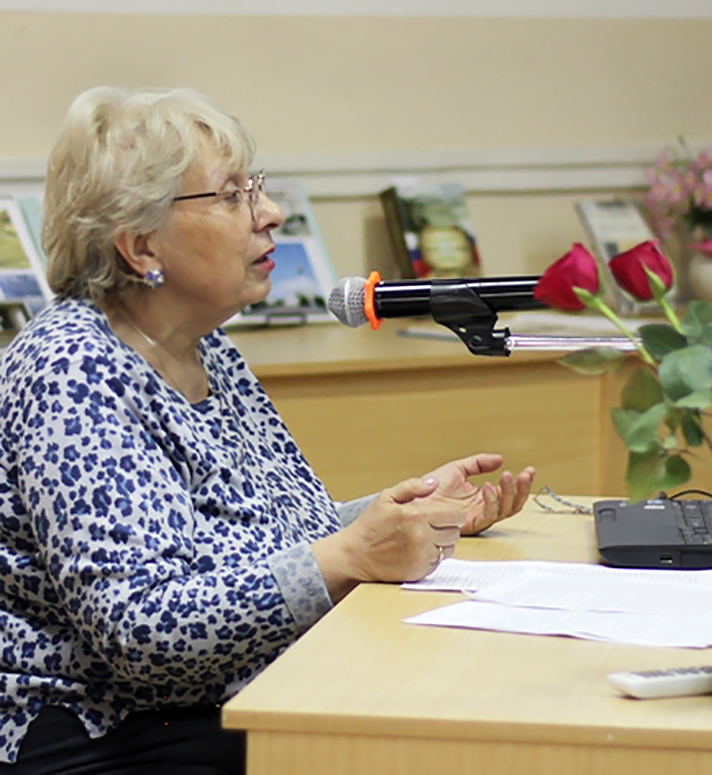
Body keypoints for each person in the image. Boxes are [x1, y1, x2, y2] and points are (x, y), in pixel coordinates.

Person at [0, 86, 535, 773]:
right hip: (105, 732)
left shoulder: (203, 345)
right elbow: (141, 629)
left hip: (223, 698)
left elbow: (273, 536)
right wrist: (352, 554)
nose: (271, 213)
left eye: (255, 188)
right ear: (140, 246)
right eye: (232, 196)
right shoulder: (72, 369)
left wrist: (407, 513)